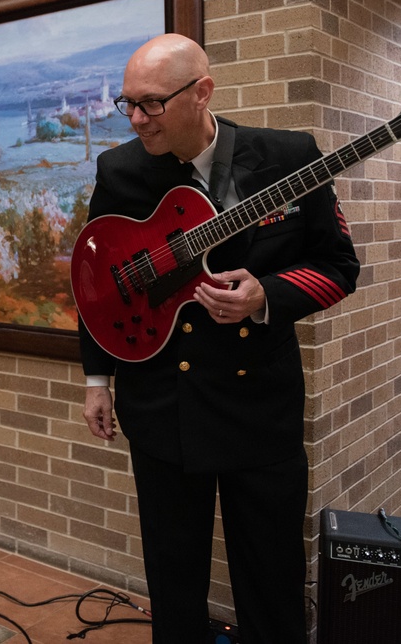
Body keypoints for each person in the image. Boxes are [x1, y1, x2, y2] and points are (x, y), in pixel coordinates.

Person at [78, 34, 360, 644]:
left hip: (258, 407)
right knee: (172, 581)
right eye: (127, 103)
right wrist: (98, 379)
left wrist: (266, 297)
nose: (134, 119)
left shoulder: (289, 158)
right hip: (160, 408)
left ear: (201, 92)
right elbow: (96, 280)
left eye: (150, 104)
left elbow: (340, 268)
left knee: (272, 579)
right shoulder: (120, 169)